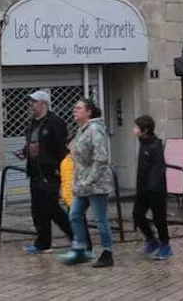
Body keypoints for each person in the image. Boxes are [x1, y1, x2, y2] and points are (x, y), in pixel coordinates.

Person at [16, 90, 74, 254]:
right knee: (37, 208)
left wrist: (58, 168)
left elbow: (61, 148)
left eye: (34, 102)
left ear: (43, 104)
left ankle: (74, 236)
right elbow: (33, 143)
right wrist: (25, 152)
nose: (31, 105)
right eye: (31, 102)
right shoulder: (33, 123)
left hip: (50, 172)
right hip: (35, 171)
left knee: (52, 207)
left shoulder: (55, 123)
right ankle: (43, 242)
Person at [60, 98, 115, 268]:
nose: (74, 110)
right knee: (75, 215)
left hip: (96, 184)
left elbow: (101, 157)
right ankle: (82, 248)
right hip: (82, 183)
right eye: (74, 108)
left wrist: (90, 179)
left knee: (100, 220)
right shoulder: (81, 130)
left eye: (79, 108)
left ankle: (107, 252)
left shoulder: (94, 130)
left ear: (89, 112)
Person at [132, 115, 171, 260]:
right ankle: (151, 240)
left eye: (137, 127)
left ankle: (165, 245)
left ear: (145, 130)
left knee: (159, 218)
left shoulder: (155, 146)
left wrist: (153, 187)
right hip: (143, 188)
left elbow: (157, 169)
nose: (134, 130)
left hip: (155, 190)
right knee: (137, 215)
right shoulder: (143, 143)